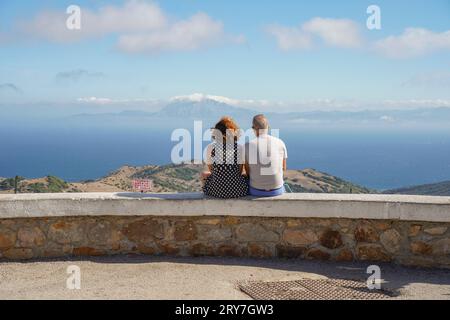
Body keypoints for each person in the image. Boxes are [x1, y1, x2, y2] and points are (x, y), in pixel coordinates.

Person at [202, 116, 249, 198]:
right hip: (238, 190)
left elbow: (212, 170)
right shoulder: (239, 148)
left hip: (216, 191)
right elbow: (239, 171)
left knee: (204, 174)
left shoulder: (211, 148)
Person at [244, 114, 287, 196]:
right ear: (268, 127)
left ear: (253, 129)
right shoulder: (280, 142)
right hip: (277, 190)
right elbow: (283, 168)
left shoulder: (247, 145)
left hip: (256, 190)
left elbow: (247, 171)